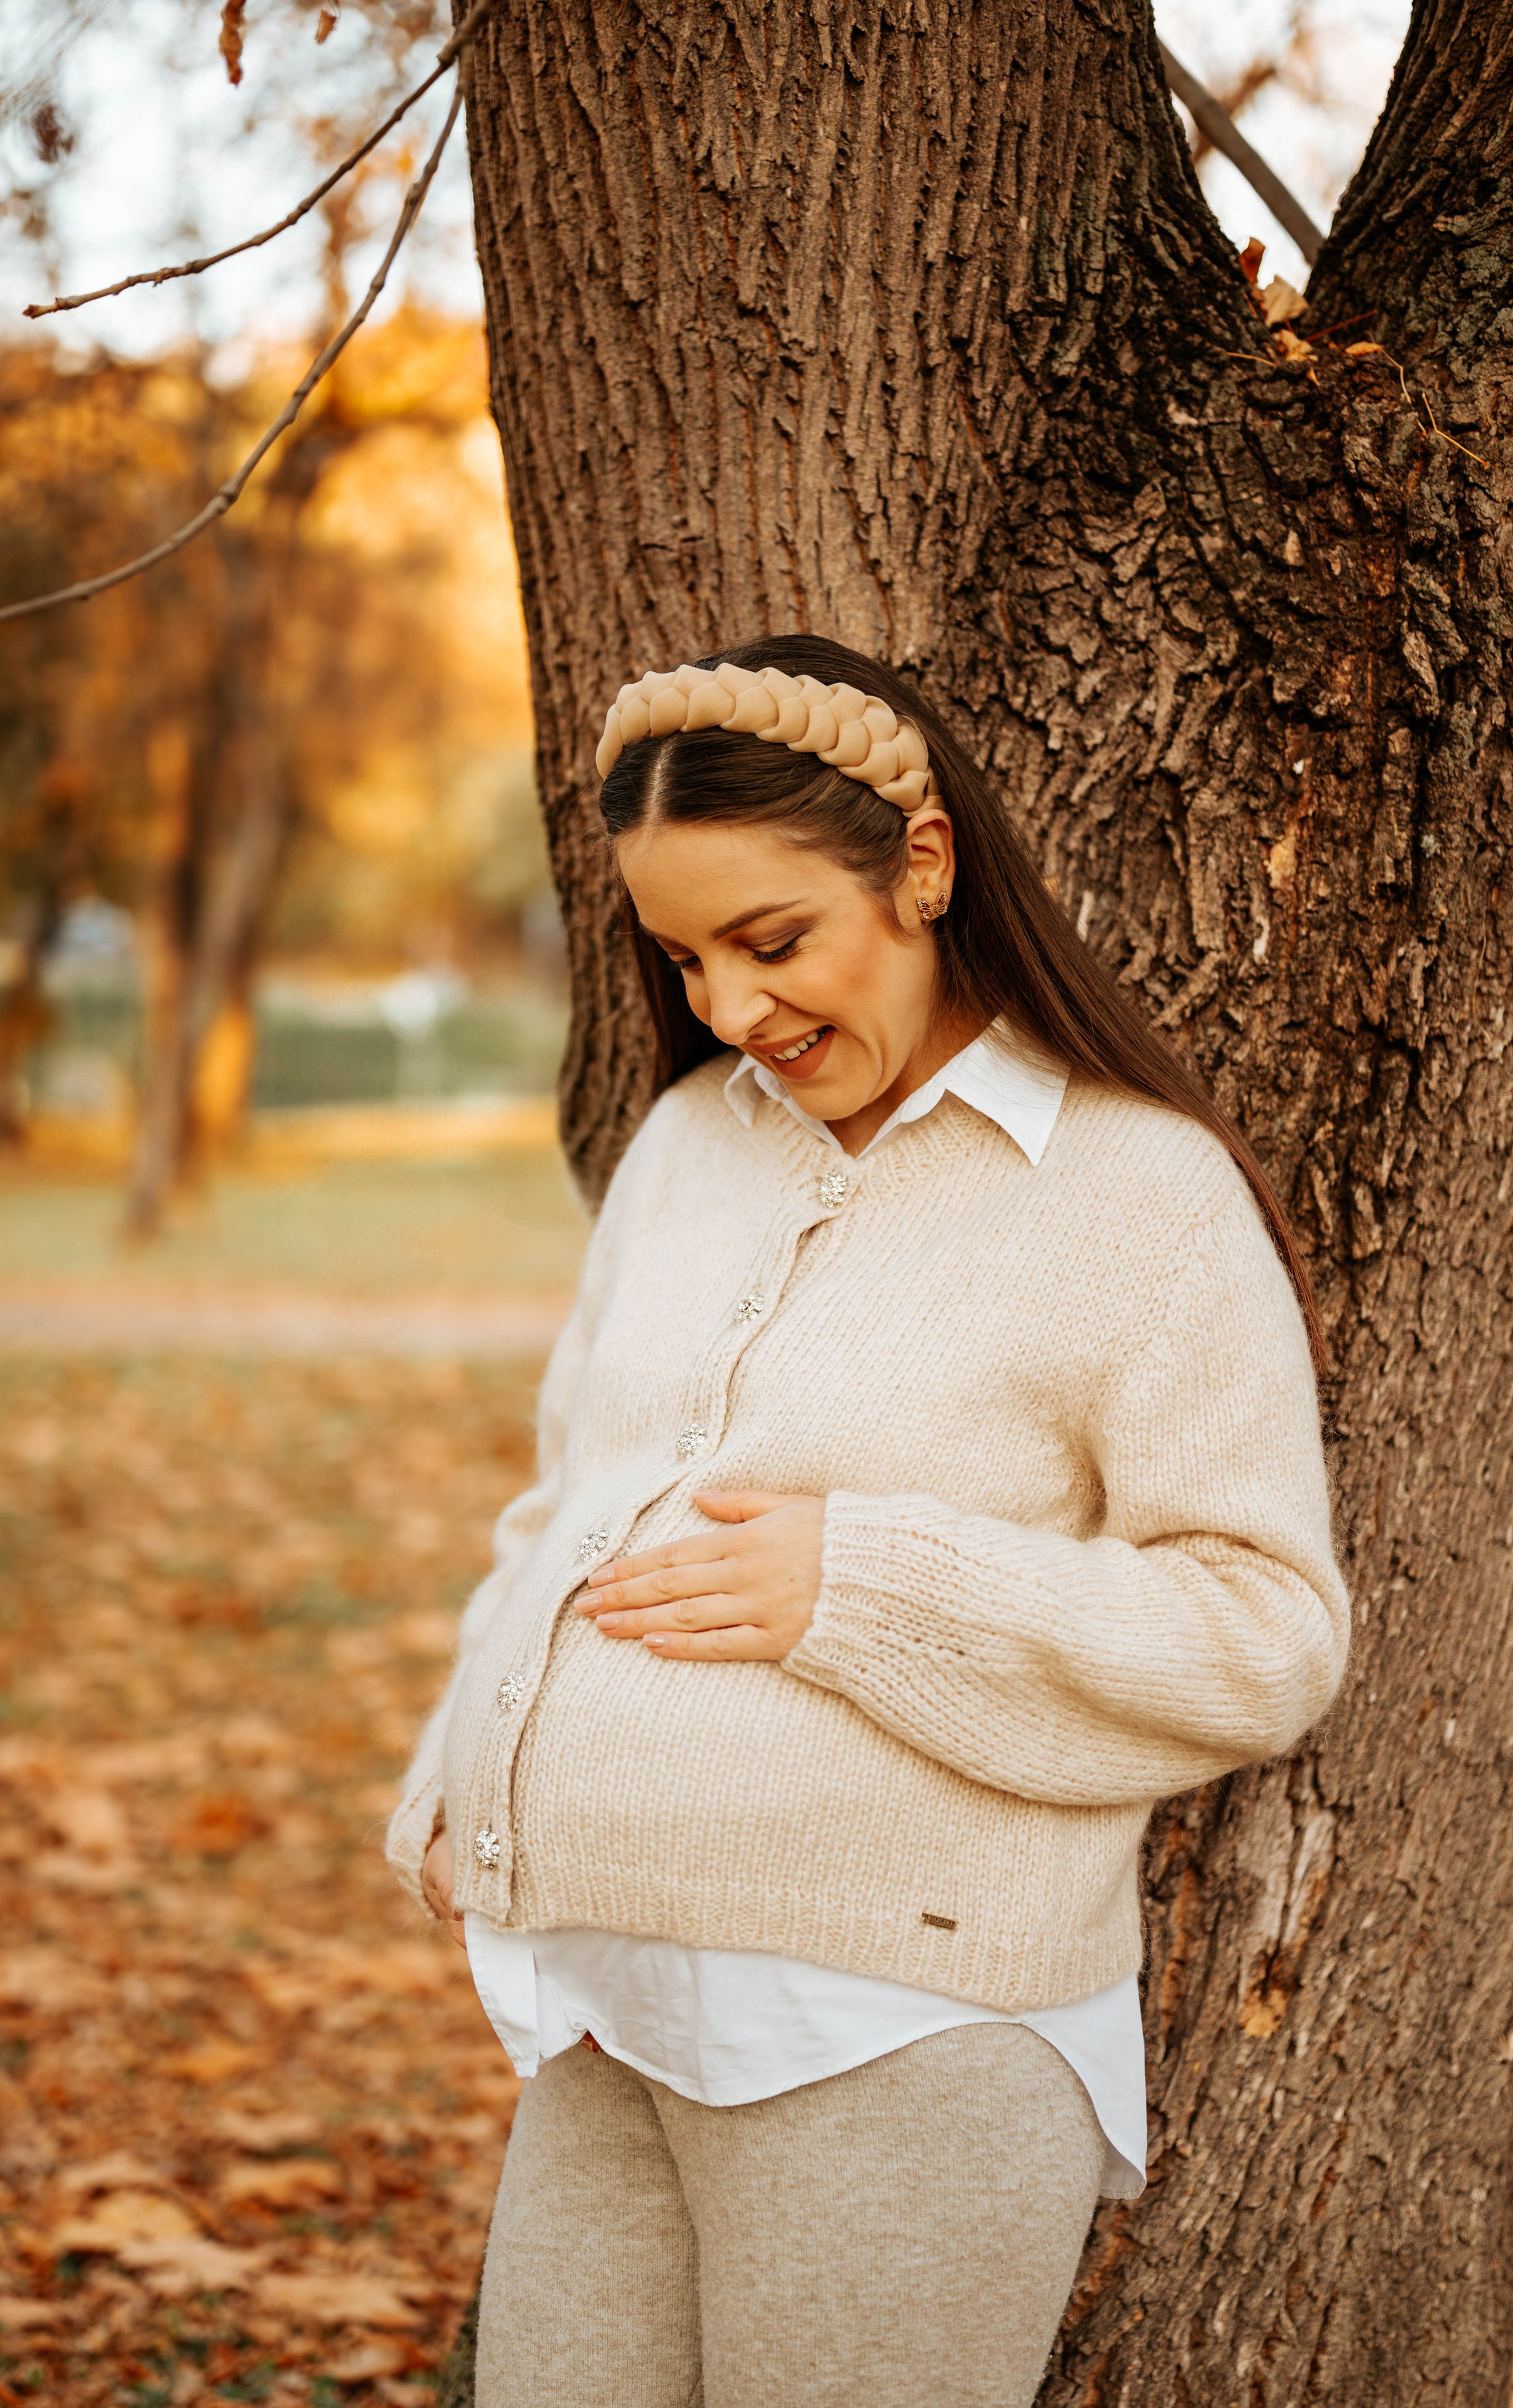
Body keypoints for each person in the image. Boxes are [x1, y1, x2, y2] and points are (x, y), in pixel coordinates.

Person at [386, 634, 1348, 2408]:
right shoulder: (691, 1143)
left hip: (901, 2043)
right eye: (685, 959)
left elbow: (1263, 1627)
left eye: (772, 942)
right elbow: (571, 1499)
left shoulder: (1133, 1190)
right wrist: (473, 1765)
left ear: (922, 866)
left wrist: (870, 1583)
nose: (735, 1008)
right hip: (611, 2023)